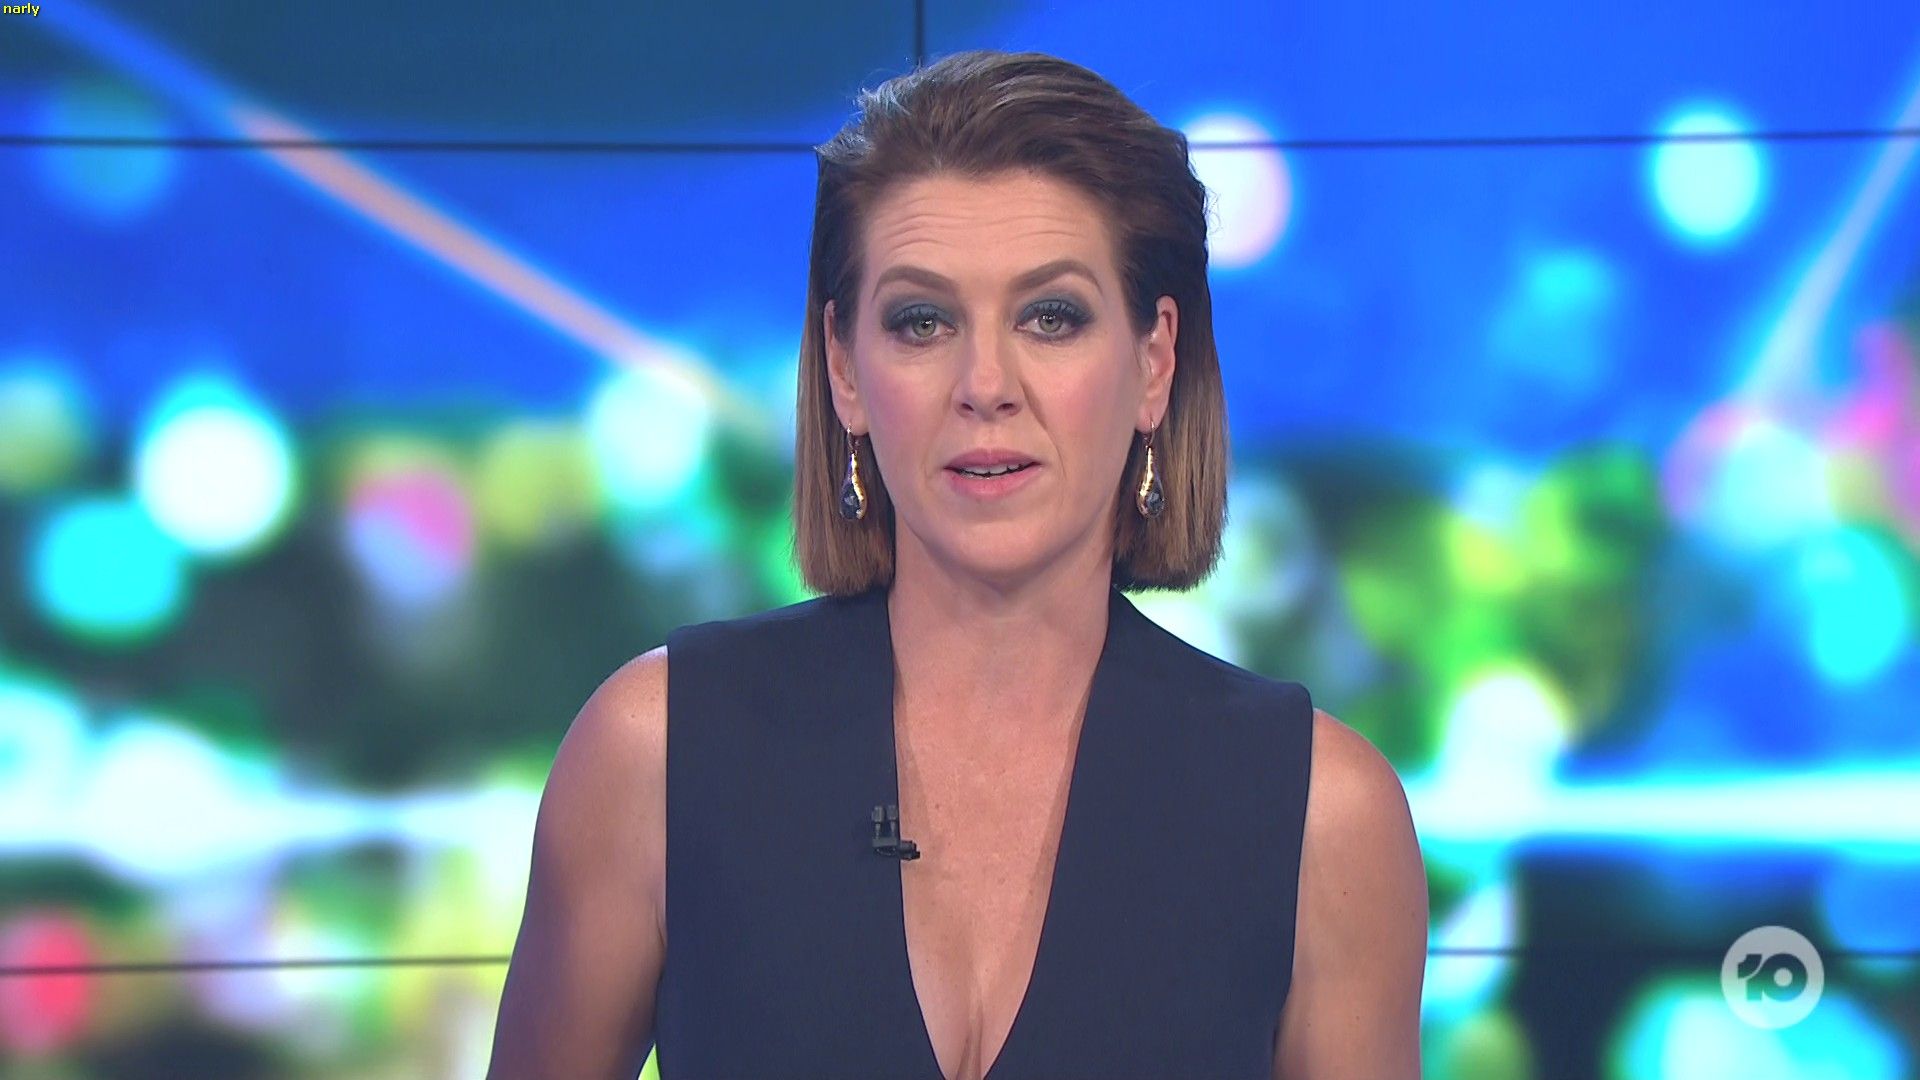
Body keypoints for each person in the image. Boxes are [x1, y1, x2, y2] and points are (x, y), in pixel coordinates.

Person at [487, 49, 1426, 1080]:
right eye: (922, 322)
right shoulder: (655, 754)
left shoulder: (1323, 818)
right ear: (845, 368)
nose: (985, 384)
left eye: (1051, 317)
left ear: (1154, 360)